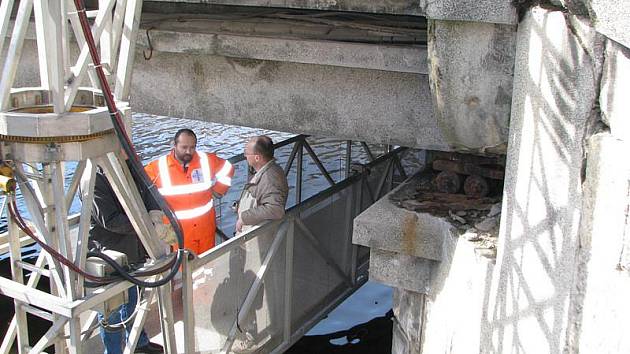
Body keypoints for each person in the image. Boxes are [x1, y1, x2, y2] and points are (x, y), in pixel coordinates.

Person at [88, 156, 164, 354]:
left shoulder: (130, 166)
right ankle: (113, 352)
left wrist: (154, 215)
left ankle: (138, 343)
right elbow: (109, 220)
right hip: (110, 253)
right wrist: (146, 225)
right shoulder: (94, 178)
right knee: (111, 310)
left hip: (135, 248)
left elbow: (149, 192)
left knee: (134, 298)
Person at [145, 129, 234, 254]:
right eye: (184, 147)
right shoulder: (157, 167)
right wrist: (155, 219)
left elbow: (227, 168)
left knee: (207, 266)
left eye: (192, 147)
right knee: (183, 270)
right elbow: (142, 188)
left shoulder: (206, 160)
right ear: (174, 145)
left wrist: (219, 190)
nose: (188, 151)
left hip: (205, 230)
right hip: (177, 233)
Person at [236, 136, 289, 235]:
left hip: (260, 240)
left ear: (257, 158)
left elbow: (275, 209)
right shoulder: (268, 171)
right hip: (254, 236)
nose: (245, 156)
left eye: (247, 153)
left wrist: (244, 218)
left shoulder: (270, 178)